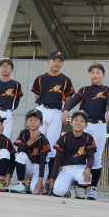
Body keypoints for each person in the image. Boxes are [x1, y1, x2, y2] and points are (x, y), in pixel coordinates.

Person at [63, 62, 109, 200]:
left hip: (99, 126)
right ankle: (80, 186)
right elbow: (75, 99)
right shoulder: (84, 89)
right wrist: (66, 109)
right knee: (80, 156)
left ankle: (93, 188)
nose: (95, 75)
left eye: (98, 72)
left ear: (103, 75)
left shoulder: (107, 89)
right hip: (84, 126)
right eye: (92, 73)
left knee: (96, 158)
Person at [31, 50, 75, 193]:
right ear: (48, 61)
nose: (57, 63)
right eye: (54, 60)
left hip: (57, 112)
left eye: (60, 61)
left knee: (50, 147)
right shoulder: (40, 79)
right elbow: (38, 96)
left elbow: (68, 99)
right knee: (37, 142)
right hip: (41, 110)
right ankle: (34, 180)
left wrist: (65, 112)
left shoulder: (65, 80)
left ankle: (48, 181)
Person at [48, 110, 96, 199]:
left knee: (84, 178)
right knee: (58, 191)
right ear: (71, 122)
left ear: (86, 125)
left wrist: (88, 169)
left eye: (82, 121)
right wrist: (52, 180)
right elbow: (57, 161)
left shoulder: (89, 138)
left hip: (80, 168)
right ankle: (65, 190)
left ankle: (79, 187)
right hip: (65, 170)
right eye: (76, 120)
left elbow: (90, 157)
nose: (78, 123)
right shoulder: (64, 138)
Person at [10, 109, 51, 195]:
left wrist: (40, 181)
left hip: (40, 167)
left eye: (36, 120)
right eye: (30, 120)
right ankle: (21, 184)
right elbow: (20, 150)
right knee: (20, 155)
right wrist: (31, 141)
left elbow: (43, 161)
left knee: (34, 191)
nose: (33, 122)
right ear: (26, 122)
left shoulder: (43, 139)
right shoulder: (23, 133)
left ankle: (38, 184)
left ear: (41, 123)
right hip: (29, 165)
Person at [0, 57, 24, 138]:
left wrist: (9, 109)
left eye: (8, 66)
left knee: (4, 138)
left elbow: (17, 100)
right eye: (2, 66)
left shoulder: (16, 84)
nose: (5, 68)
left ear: (12, 69)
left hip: (6, 112)